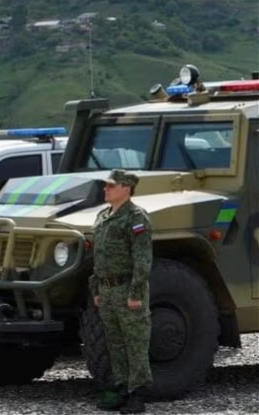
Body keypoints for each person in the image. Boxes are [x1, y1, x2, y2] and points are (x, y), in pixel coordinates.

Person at [89, 169, 153, 414]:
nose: (105, 189)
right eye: (106, 185)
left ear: (126, 189)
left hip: (127, 289)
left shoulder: (136, 218)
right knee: (115, 342)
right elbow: (99, 256)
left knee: (135, 341)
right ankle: (121, 387)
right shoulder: (103, 216)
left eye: (111, 186)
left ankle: (138, 393)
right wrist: (97, 288)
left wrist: (136, 294)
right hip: (107, 290)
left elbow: (143, 260)